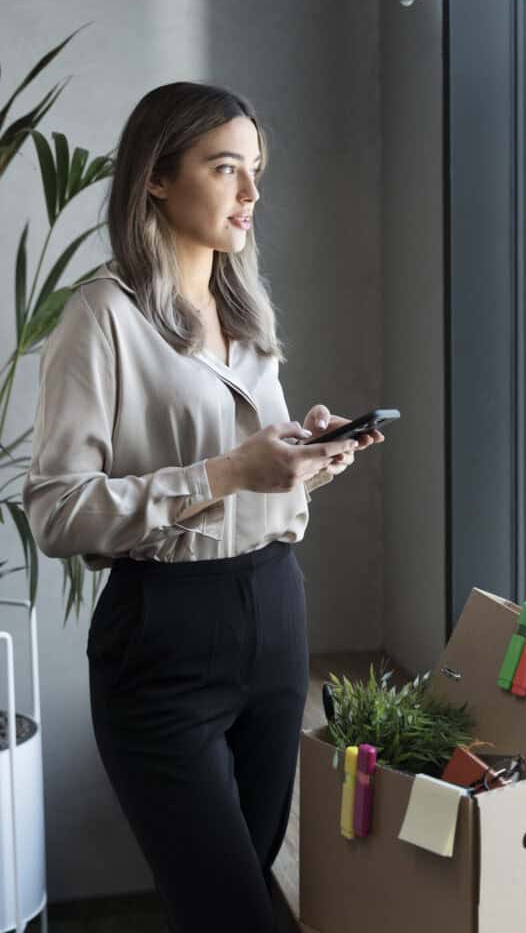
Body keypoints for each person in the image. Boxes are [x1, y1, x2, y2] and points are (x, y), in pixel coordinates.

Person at [22, 81, 384, 932]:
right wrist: (224, 475)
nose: (252, 194)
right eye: (227, 169)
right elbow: (56, 512)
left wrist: (302, 458)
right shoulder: (99, 319)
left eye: (255, 170)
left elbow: (251, 472)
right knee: (228, 912)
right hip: (163, 638)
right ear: (156, 176)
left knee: (243, 888)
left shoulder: (243, 309)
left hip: (274, 613)